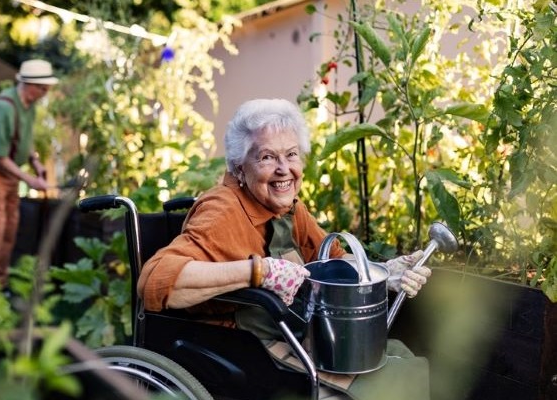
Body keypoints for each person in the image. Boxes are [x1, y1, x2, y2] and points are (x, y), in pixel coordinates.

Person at [138, 98, 432, 399]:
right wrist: (260, 272)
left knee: (397, 358)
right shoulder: (222, 211)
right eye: (266, 157)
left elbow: (334, 263)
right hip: (244, 347)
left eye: (291, 155)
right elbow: (155, 281)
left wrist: (385, 272)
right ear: (240, 167)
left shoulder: (289, 208)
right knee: (386, 385)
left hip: (292, 330)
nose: (283, 169)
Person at [0, 59, 58, 289]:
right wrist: (30, 180)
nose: (46, 92)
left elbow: (25, 138)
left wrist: (35, 162)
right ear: (30, 84)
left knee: (10, 227)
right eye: (43, 88)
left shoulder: (28, 106)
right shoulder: (2, 108)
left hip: (11, 172)